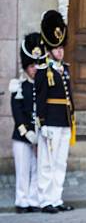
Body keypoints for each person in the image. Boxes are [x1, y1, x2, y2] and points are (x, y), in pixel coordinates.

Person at [35, 10, 76, 214]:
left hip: (64, 121)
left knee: (60, 162)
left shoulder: (65, 69)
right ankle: (44, 200)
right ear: (49, 50)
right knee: (46, 163)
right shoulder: (43, 70)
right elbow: (40, 98)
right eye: (56, 48)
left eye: (61, 48)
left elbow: (70, 98)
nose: (60, 51)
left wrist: (72, 118)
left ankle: (56, 197)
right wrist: (41, 122)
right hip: (50, 121)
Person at [9, 33, 45, 213]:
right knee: (22, 170)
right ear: (26, 67)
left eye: (36, 65)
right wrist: (27, 133)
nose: (34, 69)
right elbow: (17, 113)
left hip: (38, 135)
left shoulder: (41, 86)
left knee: (37, 169)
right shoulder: (18, 86)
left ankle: (34, 199)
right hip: (22, 136)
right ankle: (21, 201)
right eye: (31, 66)